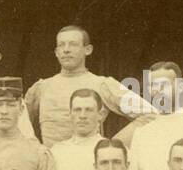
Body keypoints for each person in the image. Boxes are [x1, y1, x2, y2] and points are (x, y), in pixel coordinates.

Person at [23, 25, 153, 145]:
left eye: (73, 44)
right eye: (61, 45)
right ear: (56, 52)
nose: (66, 50)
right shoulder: (42, 88)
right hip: (51, 164)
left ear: (88, 49)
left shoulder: (101, 84)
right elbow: (18, 125)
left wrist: (112, 146)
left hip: (90, 162)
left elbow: (150, 114)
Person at [48, 89, 106, 170]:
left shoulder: (109, 151)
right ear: (70, 114)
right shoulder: (56, 152)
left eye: (89, 110)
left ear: (100, 114)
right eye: (77, 110)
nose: (82, 115)